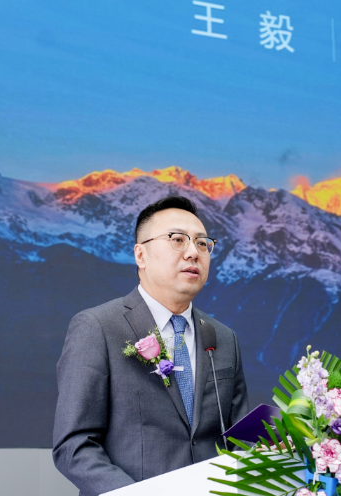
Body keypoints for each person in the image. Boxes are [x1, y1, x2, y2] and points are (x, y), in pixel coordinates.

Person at [52, 195, 250, 496]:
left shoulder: (223, 338)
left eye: (202, 243)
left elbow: (240, 438)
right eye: (177, 240)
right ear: (141, 254)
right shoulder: (98, 328)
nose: (193, 253)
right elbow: (74, 446)